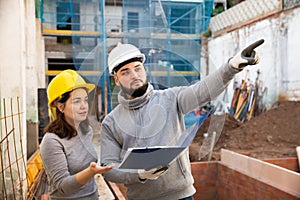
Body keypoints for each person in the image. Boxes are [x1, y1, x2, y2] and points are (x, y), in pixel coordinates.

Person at [100, 39, 264, 200]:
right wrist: (139, 174)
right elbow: (109, 168)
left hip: (181, 196)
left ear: (145, 70)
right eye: (125, 72)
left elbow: (202, 91)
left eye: (137, 68)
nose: (134, 75)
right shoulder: (111, 122)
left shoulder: (171, 99)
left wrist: (232, 66)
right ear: (116, 79)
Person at [40, 69, 114, 200]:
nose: (84, 106)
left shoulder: (86, 131)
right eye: (76, 101)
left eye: (85, 100)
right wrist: (90, 172)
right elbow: (62, 186)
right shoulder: (52, 141)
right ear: (60, 107)